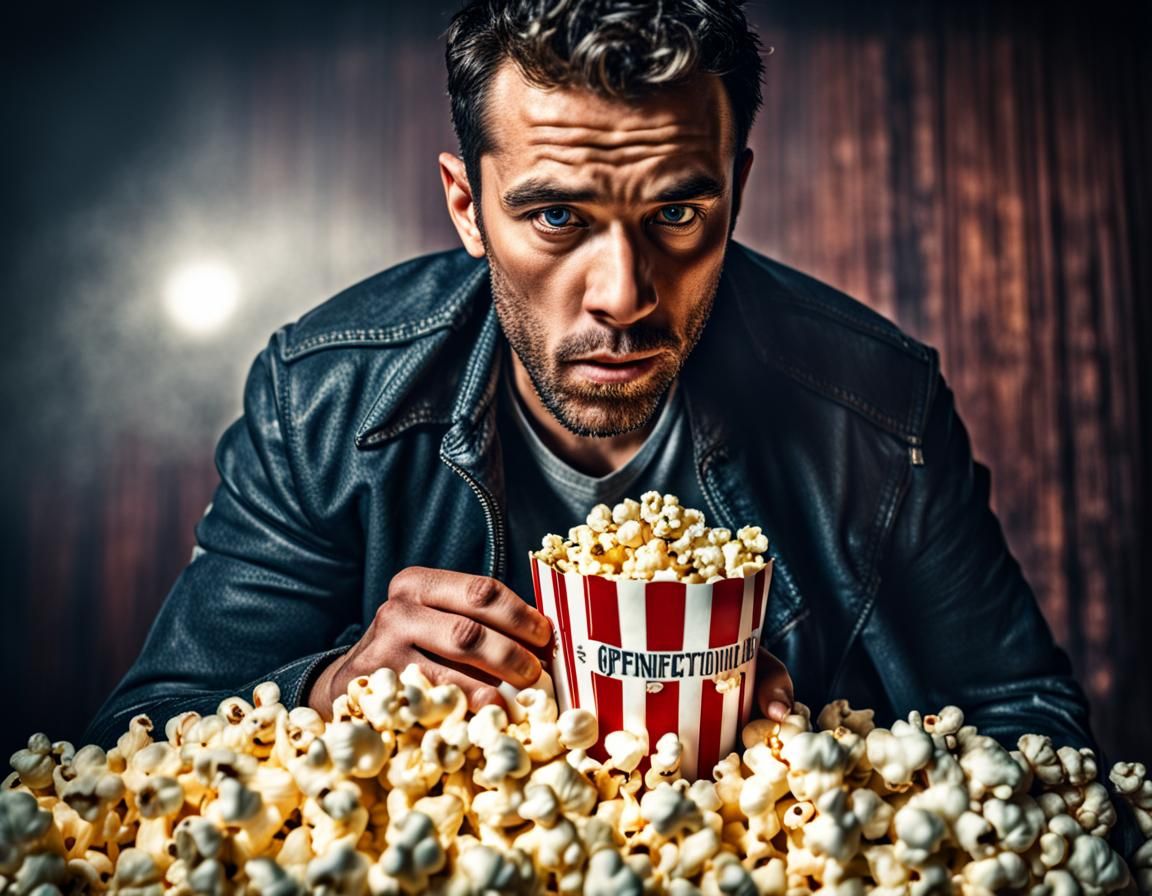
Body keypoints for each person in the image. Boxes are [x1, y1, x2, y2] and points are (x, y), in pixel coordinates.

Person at [83, 0, 1101, 803]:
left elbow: (1036, 731)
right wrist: (332, 689)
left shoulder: (878, 411)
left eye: (678, 211)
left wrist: (822, 758)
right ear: (465, 206)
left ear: (735, 191)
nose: (623, 292)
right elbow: (147, 730)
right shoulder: (324, 397)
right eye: (558, 214)